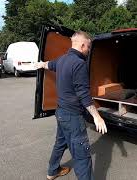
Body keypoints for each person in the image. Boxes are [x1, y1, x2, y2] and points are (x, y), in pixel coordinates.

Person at [35, 31, 107, 180]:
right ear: (82, 45)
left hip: (60, 113)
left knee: (60, 143)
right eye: (88, 47)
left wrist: (41, 64)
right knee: (82, 156)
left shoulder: (62, 59)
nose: (89, 50)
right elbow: (84, 95)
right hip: (72, 117)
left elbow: (50, 64)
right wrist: (97, 117)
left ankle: (52, 171)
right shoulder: (79, 64)